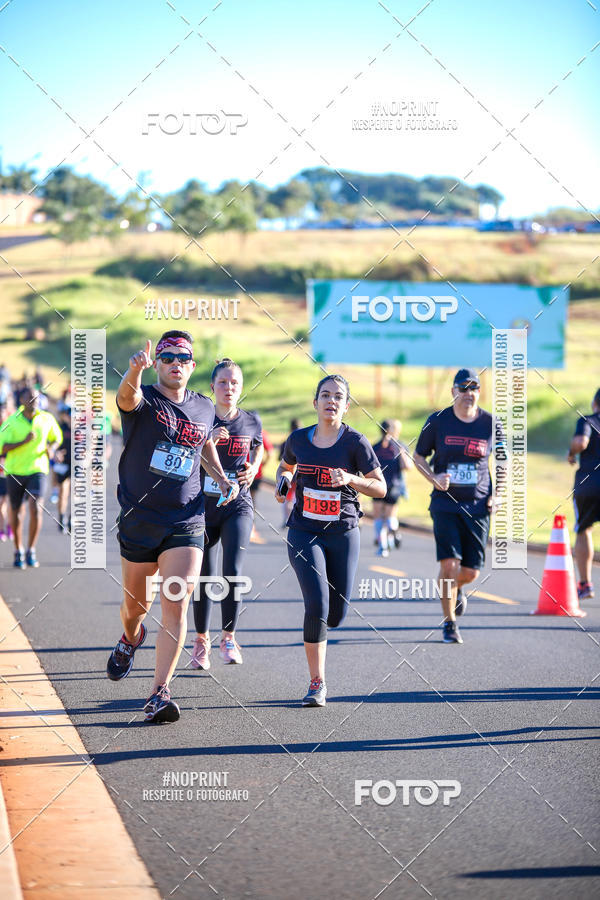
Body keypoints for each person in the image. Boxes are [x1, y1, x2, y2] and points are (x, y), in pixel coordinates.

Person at [106, 331, 238, 724]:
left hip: (186, 519)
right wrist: (133, 370)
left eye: (183, 357)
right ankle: (131, 637)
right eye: (167, 357)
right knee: (135, 608)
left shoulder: (202, 405)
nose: (175, 362)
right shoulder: (144, 398)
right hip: (139, 519)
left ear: (192, 365)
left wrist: (222, 477)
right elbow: (125, 399)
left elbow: (201, 445)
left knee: (176, 603)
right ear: (157, 363)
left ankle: (158, 693)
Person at [275, 374, 386, 706]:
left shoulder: (356, 443)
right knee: (317, 606)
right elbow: (285, 467)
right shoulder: (298, 439)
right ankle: (316, 682)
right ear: (315, 403)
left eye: (338, 396)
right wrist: (283, 483)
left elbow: (380, 487)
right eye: (325, 395)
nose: (331, 400)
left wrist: (351, 478)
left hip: (343, 532)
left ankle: (325, 631)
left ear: (346, 405)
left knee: (336, 614)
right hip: (304, 530)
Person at [414, 368, 503, 644]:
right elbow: (418, 456)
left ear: (480, 391)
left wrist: (498, 494)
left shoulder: (491, 423)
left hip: (478, 505)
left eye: (473, 387)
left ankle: (453, 590)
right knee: (450, 565)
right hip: (445, 504)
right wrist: (433, 477)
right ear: (453, 391)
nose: (468, 393)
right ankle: (449, 623)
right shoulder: (438, 421)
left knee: (470, 572)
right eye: (462, 388)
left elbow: (502, 461)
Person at [190, 359, 263, 670]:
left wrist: (255, 467)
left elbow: (259, 446)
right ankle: (201, 641)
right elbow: (185, 455)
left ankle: (229, 637)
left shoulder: (251, 421)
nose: (229, 388)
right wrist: (206, 443)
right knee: (205, 576)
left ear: (241, 388)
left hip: (238, 504)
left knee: (233, 571)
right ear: (212, 386)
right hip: (202, 506)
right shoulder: (200, 418)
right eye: (223, 382)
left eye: (234, 383)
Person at [0, 386, 62, 568]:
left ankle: (31, 550)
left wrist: (52, 448)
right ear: (22, 401)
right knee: (16, 512)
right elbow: (2, 448)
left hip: (38, 469)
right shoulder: (11, 421)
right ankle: (18, 549)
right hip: (15, 471)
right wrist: (23, 442)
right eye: (30, 398)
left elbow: (56, 437)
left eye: (36, 399)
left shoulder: (47, 419)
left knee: (36, 507)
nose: (34, 402)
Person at [568, 387, 600, 600]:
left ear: (594, 404)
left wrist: (571, 453)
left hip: (589, 485)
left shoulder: (588, 420)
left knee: (584, 530)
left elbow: (581, 442)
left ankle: (585, 584)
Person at [372, 419, 413, 556]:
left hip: (377, 485)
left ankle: (383, 547)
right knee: (390, 516)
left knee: (378, 517)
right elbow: (408, 467)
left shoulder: (375, 447)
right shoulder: (399, 446)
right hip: (395, 485)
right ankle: (393, 529)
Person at [250, 427, 273, 543]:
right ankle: (250, 523)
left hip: (244, 471)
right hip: (256, 472)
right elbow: (270, 452)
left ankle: (248, 523)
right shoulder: (262, 433)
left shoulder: (244, 428)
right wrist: (263, 464)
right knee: (251, 499)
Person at [278, 418, 302, 527]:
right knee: (298, 499)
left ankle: (287, 519)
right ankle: (296, 519)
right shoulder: (306, 441)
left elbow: (280, 459)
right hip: (302, 476)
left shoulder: (287, 441)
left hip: (289, 475)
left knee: (287, 499)